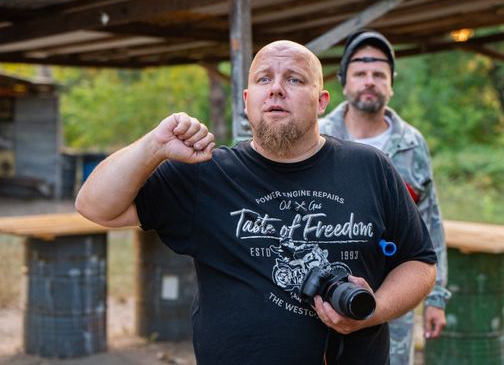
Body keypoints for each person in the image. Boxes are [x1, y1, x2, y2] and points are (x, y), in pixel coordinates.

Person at [76, 40, 437, 365]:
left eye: (294, 79)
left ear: (321, 101)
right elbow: (95, 206)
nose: (276, 88)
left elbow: (419, 262)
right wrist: (154, 146)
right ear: (247, 100)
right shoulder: (207, 173)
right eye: (264, 79)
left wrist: (373, 311)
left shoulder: (370, 167)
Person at [319, 31, 451, 364]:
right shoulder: (317, 136)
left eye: (379, 74)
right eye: (360, 73)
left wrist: (436, 297)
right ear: (344, 83)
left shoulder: (411, 144)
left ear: (391, 85)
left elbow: (430, 222)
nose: (369, 81)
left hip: (395, 296)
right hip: (323, 296)